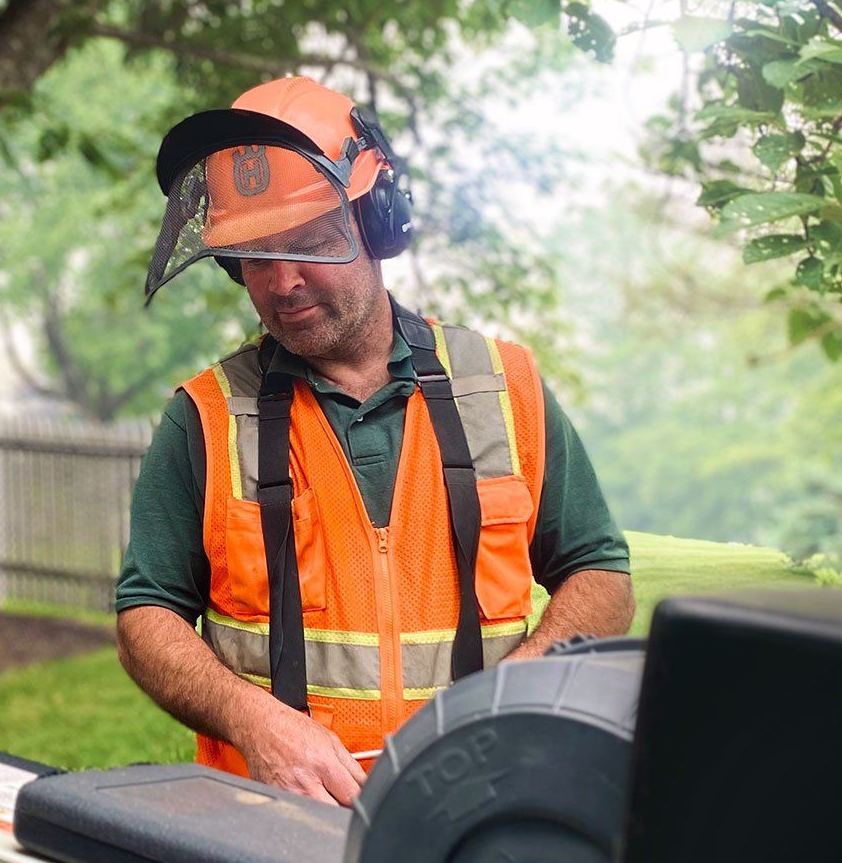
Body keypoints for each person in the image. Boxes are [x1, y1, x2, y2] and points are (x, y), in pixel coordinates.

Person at [117, 76, 633, 807]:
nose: (283, 281)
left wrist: (519, 698)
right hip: (268, 818)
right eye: (255, 253)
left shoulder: (503, 387)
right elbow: (146, 615)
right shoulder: (205, 416)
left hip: (479, 807)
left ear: (378, 223)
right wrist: (254, 722)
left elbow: (600, 574)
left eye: (308, 243)